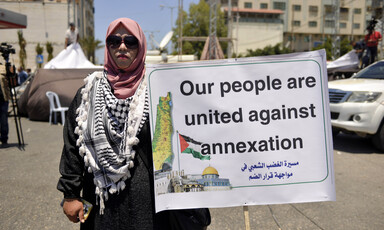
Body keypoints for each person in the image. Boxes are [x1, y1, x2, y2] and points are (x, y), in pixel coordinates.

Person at [57, 18, 210, 230]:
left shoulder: (158, 88)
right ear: (107, 45)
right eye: (114, 40)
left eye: (130, 41)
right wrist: (70, 194)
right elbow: (73, 144)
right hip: (102, 204)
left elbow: (180, 140)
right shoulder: (89, 91)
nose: (122, 46)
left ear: (141, 46)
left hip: (148, 205)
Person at [0, 64, 10, 147]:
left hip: (3, 99)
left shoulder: (3, 68)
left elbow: (12, 78)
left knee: (3, 121)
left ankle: (4, 139)